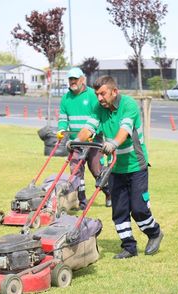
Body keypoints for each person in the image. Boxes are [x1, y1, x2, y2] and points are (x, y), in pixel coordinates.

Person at [70, 75, 163, 259]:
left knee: (138, 208)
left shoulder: (129, 105)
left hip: (135, 165)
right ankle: (129, 246)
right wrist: (74, 141)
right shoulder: (99, 108)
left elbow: (124, 130)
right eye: (97, 94)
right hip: (115, 168)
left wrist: (113, 143)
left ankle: (154, 233)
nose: (99, 98)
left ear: (114, 91)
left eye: (103, 94)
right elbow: (89, 128)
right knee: (119, 209)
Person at [58, 67, 111, 208]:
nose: (73, 82)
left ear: (82, 79)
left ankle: (109, 193)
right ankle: (82, 200)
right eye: (71, 79)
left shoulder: (92, 96)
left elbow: (100, 117)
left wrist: (95, 132)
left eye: (75, 79)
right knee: (75, 171)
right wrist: (61, 130)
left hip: (94, 141)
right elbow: (63, 118)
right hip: (76, 142)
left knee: (97, 170)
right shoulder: (65, 98)